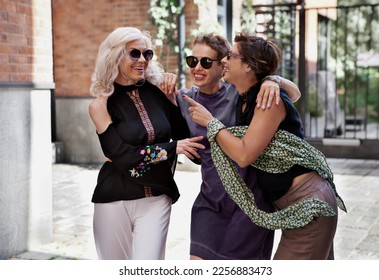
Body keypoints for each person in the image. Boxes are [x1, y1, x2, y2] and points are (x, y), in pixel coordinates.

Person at [183, 33, 346, 260]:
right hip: (292, 208)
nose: (224, 61)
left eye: (230, 56)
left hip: (308, 206)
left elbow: (244, 154)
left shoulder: (268, 100)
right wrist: (273, 79)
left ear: (249, 66)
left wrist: (211, 122)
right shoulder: (245, 95)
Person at [173, 33, 302, 260]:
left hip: (249, 202)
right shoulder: (184, 98)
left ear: (223, 63)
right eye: (192, 61)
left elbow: (293, 93)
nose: (197, 68)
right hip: (210, 200)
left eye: (205, 62)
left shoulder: (238, 92)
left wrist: (273, 80)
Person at [88, 27, 205, 260]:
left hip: (157, 197)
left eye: (147, 54)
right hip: (114, 200)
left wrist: (172, 102)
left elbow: (188, 143)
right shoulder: (101, 105)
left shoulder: (158, 92)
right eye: (134, 54)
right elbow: (123, 157)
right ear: (115, 55)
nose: (143, 60)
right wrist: (171, 148)